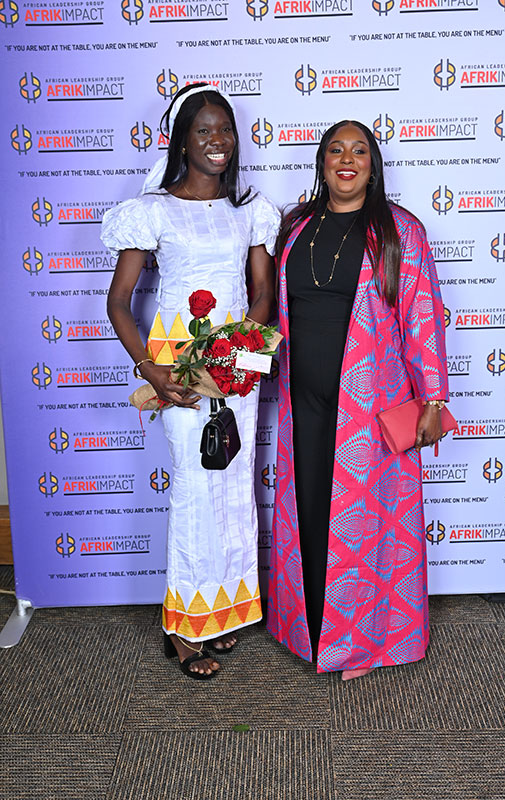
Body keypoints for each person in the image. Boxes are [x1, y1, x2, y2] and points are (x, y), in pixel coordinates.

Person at [101, 83, 280, 679]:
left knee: (233, 487)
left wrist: (237, 350)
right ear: (182, 141)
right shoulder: (152, 209)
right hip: (175, 367)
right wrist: (149, 368)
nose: (217, 140)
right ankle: (181, 627)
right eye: (203, 130)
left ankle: (220, 614)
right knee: (194, 488)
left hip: (237, 362)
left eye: (224, 129)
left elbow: (262, 292)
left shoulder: (249, 208)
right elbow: (119, 302)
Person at [267, 120, 448, 679]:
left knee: (365, 529)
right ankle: (308, 631)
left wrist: (433, 399)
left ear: (373, 166)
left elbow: (422, 314)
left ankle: (363, 645)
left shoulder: (398, 230)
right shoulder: (296, 226)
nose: (347, 160)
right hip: (301, 401)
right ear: (322, 163)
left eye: (359, 151)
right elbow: (272, 308)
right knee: (309, 513)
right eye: (336, 150)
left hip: (370, 407)